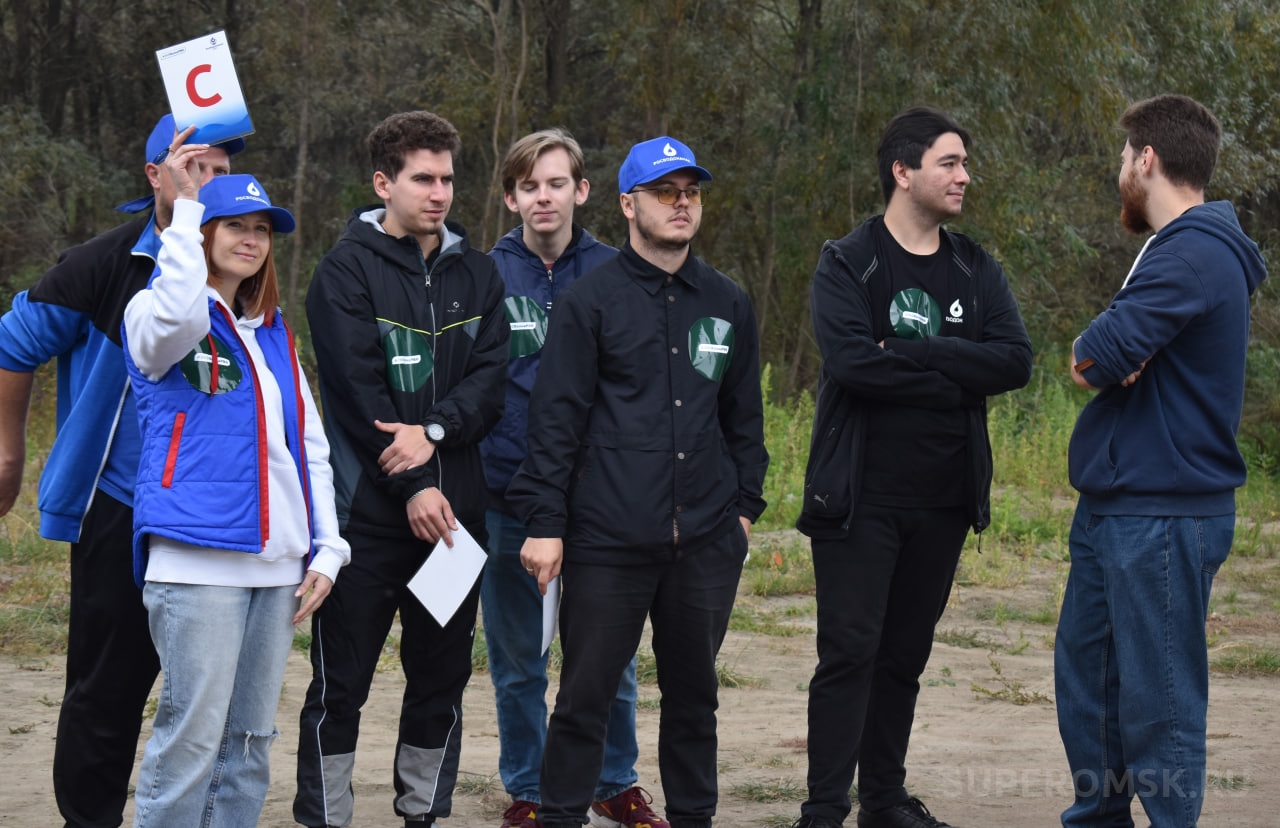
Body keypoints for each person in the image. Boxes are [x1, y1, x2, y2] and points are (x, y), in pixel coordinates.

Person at [508, 135, 769, 828]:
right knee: (584, 699)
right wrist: (546, 523)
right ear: (628, 204)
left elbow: (744, 420)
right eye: (664, 193)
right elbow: (555, 422)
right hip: (607, 541)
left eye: (691, 193)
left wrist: (742, 514)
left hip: (705, 541)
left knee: (695, 701)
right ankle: (561, 816)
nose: (681, 204)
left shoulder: (727, 301)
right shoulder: (589, 302)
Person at [792, 106, 1032, 828]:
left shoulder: (974, 266)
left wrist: (917, 351)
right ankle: (823, 810)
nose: (965, 176)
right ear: (903, 171)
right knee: (849, 654)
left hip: (944, 500)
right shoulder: (848, 261)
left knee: (903, 658)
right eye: (949, 163)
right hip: (859, 500)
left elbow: (1014, 362)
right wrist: (959, 376)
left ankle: (884, 802)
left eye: (964, 164)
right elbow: (852, 364)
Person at [0, 112, 242, 828]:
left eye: (221, 171)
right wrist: (9, 451)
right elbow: (13, 344)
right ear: (155, 174)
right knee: (107, 689)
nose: (207, 182)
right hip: (122, 504)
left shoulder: (240, 262)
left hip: (214, 514)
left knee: (209, 695)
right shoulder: (105, 262)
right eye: (194, 166)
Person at [122, 134, 348, 826]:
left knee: (249, 744)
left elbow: (309, 449)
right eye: (235, 225)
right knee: (190, 741)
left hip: (277, 569)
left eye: (262, 229)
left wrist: (327, 548)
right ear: (203, 232)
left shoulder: (273, 332)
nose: (252, 239)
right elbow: (175, 314)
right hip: (196, 563)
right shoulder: (159, 315)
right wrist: (185, 209)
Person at [1055, 94, 1267, 828]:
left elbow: (1090, 360)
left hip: (1164, 513)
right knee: (1090, 687)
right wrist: (1109, 355)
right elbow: (1108, 357)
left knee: (1161, 705)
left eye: (1124, 157)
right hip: (1118, 503)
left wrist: (1101, 355)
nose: (1120, 170)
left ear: (1146, 160)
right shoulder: (1177, 251)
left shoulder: (1193, 253)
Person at [294, 110, 508, 828]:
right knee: (341, 687)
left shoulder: (480, 274)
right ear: (384, 184)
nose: (439, 192)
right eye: (422, 178)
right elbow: (359, 396)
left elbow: (491, 383)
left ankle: (423, 814)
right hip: (366, 526)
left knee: (440, 683)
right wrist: (413, 485)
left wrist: (435, 431)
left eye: (447, 178)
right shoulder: (343, 271)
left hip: (455, 529)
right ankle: (326, 817)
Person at [481, 129, 657, 828]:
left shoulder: (618, 271)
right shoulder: (483, 276)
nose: (543, 197)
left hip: (601, 500)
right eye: (529, 186)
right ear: (510, 197)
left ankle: (615, 782)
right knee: (519, 660)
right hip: (507, 493)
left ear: (582, 191)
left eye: (556, 183)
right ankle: (528, 788)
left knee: (610, 659)